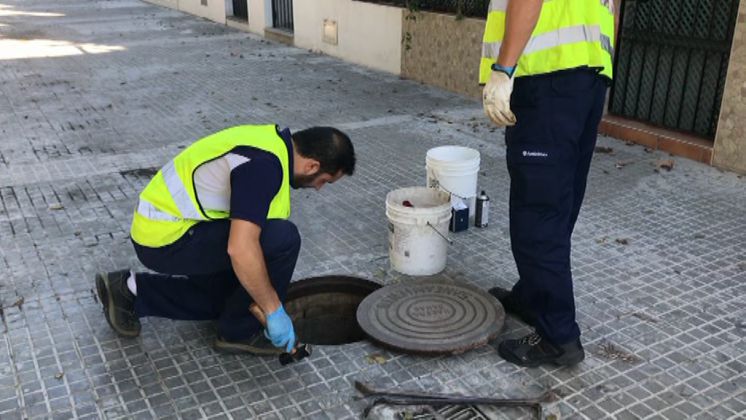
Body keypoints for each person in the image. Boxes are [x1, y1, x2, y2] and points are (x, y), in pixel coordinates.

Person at [95, 124, 355, 355]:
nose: (319, 188)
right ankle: (240, 332)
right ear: (312, 166)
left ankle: (129, 290)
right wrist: (273, 310)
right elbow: (240, 248)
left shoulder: (270, 142)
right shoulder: (263, 167)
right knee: (282, 239)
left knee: (233, 298)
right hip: (167, 239)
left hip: (171, 227)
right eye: (325, 181)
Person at [480, 0, 617, 366]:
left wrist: (503, 69)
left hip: (547, 79)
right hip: (584, 80)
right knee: (560, 203)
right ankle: (533, 295)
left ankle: (558, 337)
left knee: (537, 215)